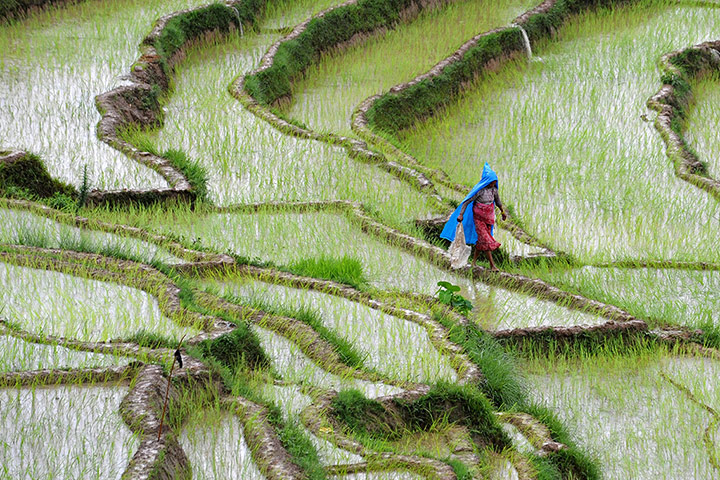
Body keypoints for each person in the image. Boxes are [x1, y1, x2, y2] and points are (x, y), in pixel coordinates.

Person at [440, 163, 508, 271]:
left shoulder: (494, 190)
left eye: (495, 181)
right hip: (479, 219)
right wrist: (461, 214)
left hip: (489, 219)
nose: (494, 183)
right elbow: (466, 202)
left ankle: (473, 263)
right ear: (487, 181)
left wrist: (503, 212)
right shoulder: (479, 191)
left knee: (481, 241)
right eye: (492, 181)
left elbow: (498, 202)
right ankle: (492, 265)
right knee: (486, 240)